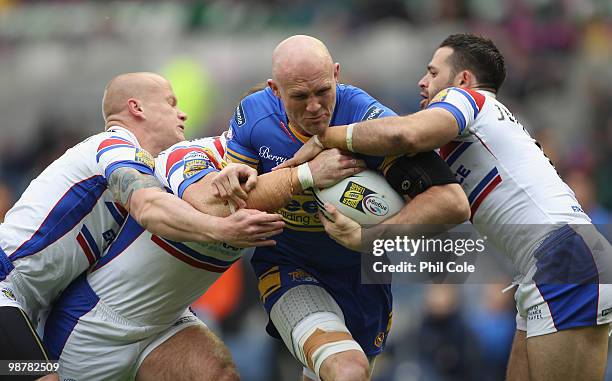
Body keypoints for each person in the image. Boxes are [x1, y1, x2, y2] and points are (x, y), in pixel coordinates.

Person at [279, 33, 612, 381]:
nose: (423, 82)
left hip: (566, 260)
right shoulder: (471, 133)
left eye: (433, 72)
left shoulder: (468, 99)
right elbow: (428, 209)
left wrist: (325, 137)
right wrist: (368, 235)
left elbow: (403, 135)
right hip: (548, 264)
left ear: (463, 79)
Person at [0, 72, 282, 379]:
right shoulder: (114, 146)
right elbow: (148, 206)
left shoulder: (146, 164)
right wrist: (221, 228)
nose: (182, 112)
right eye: (171, 103)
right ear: (137, 108)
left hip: (34, 305)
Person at [223, 35, 470, 381]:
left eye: (323, 91)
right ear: (274, 90)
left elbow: (452, 203)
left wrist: (369, 239)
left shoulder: (368, 119)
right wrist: (307, 175)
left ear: (337, 74)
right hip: (289, 266)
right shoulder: (253, 116)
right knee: (347, 370)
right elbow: (232, 205)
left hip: (363, 277)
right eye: (299, 96)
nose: (314, 107)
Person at [43, 131, 354, 380]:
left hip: (166, 324)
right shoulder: (193, 154)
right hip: (95, 326)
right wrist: (304, 174)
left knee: (220, 374)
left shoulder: (276, 184)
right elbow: (212, 203)